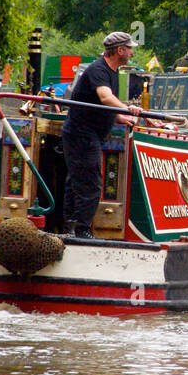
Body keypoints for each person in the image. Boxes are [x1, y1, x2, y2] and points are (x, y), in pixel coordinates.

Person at [61, 31, 142, 238]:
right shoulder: (98, 69)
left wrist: (121, 118)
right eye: (130, 48)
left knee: (78, 180)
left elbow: (99, 107)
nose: (132, 52)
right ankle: (81, 230)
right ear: (120, 50)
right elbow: (105, 98)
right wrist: (127, 108)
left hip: (89, 133)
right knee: (90, 183)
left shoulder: (112, 72)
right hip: (82, 134)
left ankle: (69, 226)